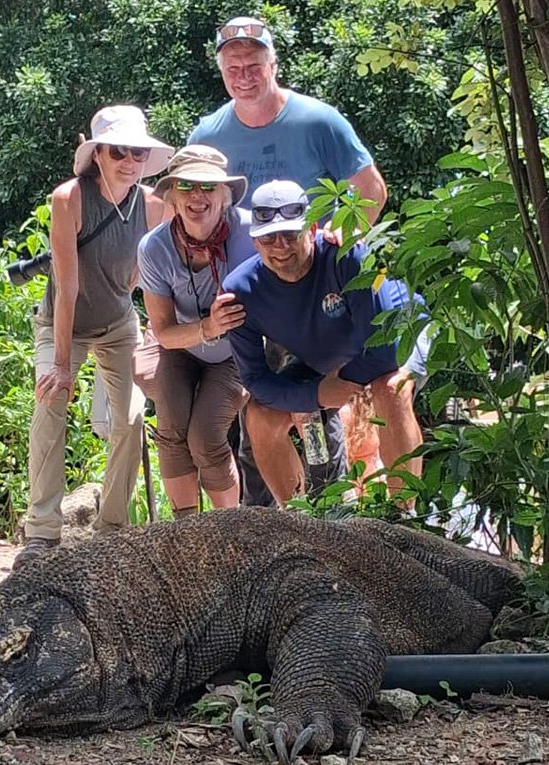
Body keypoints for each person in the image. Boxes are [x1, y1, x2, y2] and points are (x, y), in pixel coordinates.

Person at [188, 15, 388, 505]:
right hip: (250, 296)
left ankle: (331, 512)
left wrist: (348, 233)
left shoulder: (317, 120)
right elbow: (188, 202)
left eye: (253, 64)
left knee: (318, 408)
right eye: (233, 65)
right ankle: (270, 524)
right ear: (221, 70)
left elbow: (371, 190)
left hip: (315, 285)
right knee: (259, 414)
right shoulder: (210, 132)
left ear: (273, 63)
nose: (243, 74)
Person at [15, 105, 173, 569]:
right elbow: (67, 287)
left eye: (138, 153)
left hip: (119, 323)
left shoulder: (154, 204)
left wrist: (154, 326)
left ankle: (112, 530)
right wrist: (62, 365)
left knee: (130, 416)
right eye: (119, 151)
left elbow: (153, 273)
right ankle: (42, 532)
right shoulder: (69, 198)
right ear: (98, 154)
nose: (129, 161)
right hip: (62, 321)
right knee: (50, 401)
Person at [221, 180, 429, 506]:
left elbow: (385, 349)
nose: (280, 247)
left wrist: (340, 384)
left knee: (392, 388)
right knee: (261, 416)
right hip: (326, 363)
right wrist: (315, 394)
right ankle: (301, 518)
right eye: (268, 238)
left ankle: (404, 515)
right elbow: (255, 380)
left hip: (398, 336)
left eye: (290, 235)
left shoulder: (347, 256)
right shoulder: (239, 291)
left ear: (313, 227)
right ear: (254, 240)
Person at [132, 146, 255, 517]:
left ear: (226, 195)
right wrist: (208, 326)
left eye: (208, 186)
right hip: (181, 348)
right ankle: (186, 534)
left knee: (204, 436)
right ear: (171, 196)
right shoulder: (154, 249)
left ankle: (228, 531)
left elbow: (299, 249)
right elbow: (164, 331)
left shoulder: (252, 232)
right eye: (186, 186)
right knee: (171, 427)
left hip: (237, 352)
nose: (197, 196)